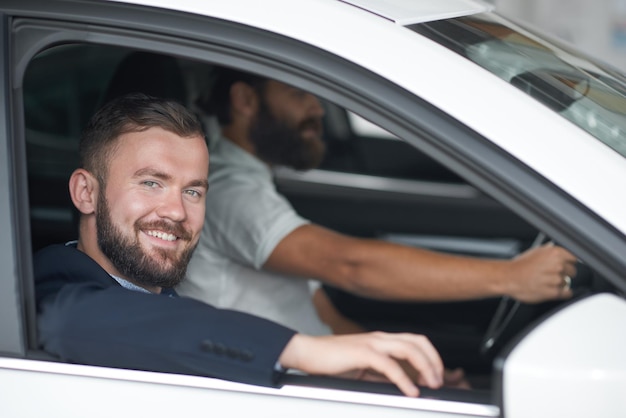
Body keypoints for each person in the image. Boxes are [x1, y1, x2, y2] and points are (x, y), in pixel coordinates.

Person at [33, 93, 445, 397]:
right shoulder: (51, 285)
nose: (176, 211)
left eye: (193, 191)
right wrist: (300, 351)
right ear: (86, 192)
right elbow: (72, 321)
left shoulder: (160, 295)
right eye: (151, 183)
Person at [177, 67, 578, 340]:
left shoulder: (254, 182)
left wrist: (390, 364)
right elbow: (350, 265)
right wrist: (510, 277)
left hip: (311, 371)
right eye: (298, 93)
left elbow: (324, 317)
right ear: (245, 100)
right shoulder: (230, 191)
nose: (316, 108)